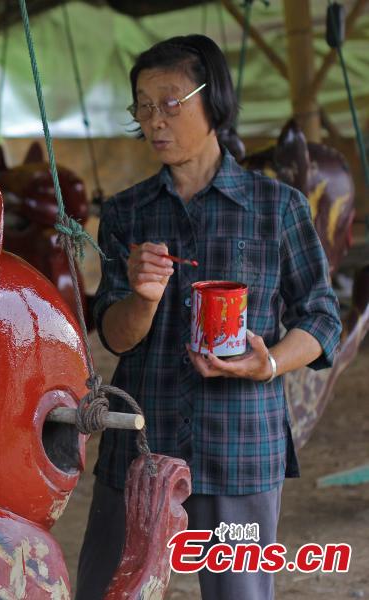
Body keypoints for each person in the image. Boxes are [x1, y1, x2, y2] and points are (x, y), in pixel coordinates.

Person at [75, 35, 341, 600]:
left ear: (212, 101)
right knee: (107, 590)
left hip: (241, 445)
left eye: (170, 102)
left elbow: (321, 317)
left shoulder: (279, 208)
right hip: (142, 446)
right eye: (143, 106)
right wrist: (144, 298)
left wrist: (268, 363)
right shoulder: (126, 213)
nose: (155, 121)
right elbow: (114, 335)